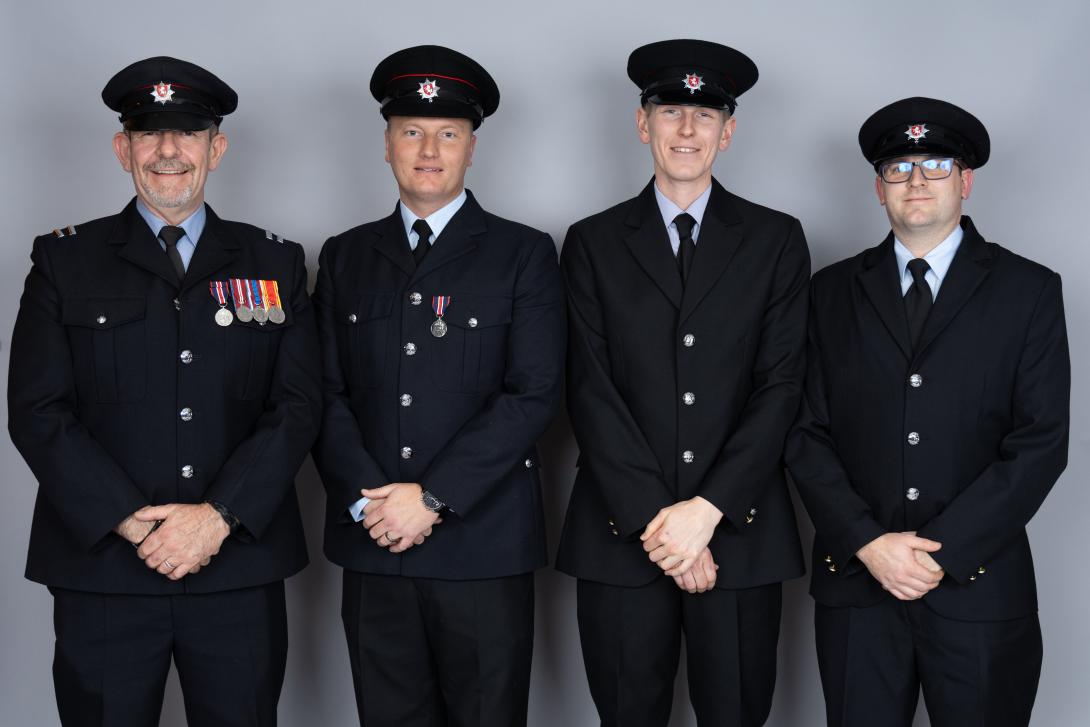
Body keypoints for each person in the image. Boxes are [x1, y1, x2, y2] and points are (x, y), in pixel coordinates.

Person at [7, 56, 322, 726]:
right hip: (104, 572)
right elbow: (37, 410)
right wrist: (130, 519)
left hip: (235, 563)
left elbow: (297, 405)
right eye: (149, 133)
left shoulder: (274, 261)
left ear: (217, 146)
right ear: (123, 148)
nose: (169, 152)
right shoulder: (65, 260)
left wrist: (214, 519)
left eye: (188, 132)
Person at [786, 96, 1070, 727]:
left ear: (965, 182)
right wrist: (867, 542)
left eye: (935, 164)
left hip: (979, 588)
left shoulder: (1029, 290)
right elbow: (805, 434)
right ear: (878, 188)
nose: (916, 180)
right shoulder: (829, 292)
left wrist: (941, 553)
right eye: (900, 166)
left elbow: (1041, 442)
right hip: (859, 586)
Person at [555, 39, 810, 726]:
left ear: (729, 132)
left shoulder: (776, 239)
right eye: (671, 111)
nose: (687, 130)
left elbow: (781, 386)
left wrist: (707, 513)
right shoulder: (592, 241)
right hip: (620, 535)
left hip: (740, 535)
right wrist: (660, 525)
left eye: (705, 114)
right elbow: (589, 389)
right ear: (644, 124)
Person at [311, 45, 565, 727]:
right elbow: (324, 393)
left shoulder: (524, 252)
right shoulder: (345, 255)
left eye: (448, 133)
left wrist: (431, 497)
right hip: (375, 543)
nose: (430, 148)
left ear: (472, 148)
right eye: (412, 131)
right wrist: (374, 507)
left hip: (482, 546)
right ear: (388, 143)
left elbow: (534, 392)